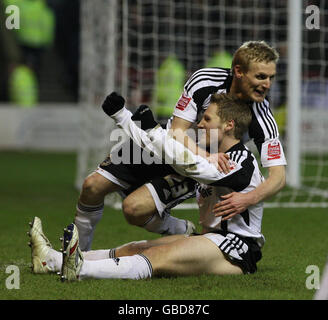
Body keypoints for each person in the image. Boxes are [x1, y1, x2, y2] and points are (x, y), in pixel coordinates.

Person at [74, 40, 286, 252]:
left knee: (134, 210)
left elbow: (278, 176)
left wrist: (248, 198)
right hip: (164, 143)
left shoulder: (262, 117)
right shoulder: (205, 80)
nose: (267, 84)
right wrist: (205, 154)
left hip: (192, 168)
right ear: (239, 71)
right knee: (92, 186)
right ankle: (76, 255)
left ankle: (182, 230)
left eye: (271, 77)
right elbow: (177, 131)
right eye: (261, 76)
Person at [28, 93, 265, 280]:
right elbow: (161, 150)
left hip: (236, 249)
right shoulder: (213, 155)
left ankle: (79, 270)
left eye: (207, 119)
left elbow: (192, 165)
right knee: (133, 248)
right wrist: (123, 117)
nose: (200, 124)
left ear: (229, 125)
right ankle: (53, 260)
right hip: (209, 238)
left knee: (155, 256)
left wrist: (154, 131)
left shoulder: (240, 161)